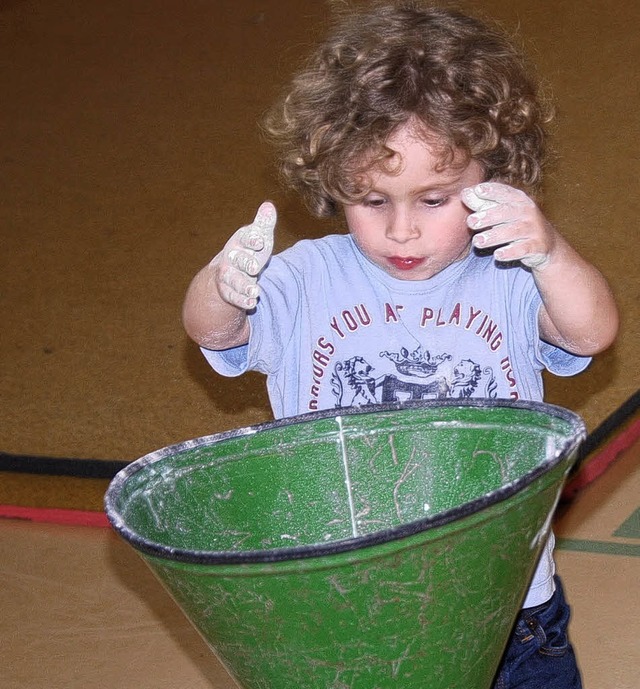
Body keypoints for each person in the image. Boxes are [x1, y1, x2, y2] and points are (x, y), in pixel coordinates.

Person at [182, 2, 618, 687]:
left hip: (507, 615)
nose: (402, 230)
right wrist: (223, 281)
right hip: (351, 618)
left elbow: (592, 331)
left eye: (434, 199)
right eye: (372, 199)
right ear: (333, 179)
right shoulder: (305, 277)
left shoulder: (507, 273)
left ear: (494, 175)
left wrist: (550, 252)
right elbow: (214, 331)